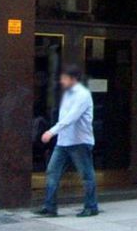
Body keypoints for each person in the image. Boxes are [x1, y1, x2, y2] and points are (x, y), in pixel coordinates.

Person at [36, 65, 99, 218]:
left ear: (73, 79)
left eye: (64, 78)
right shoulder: (67, 94)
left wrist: (51, 132)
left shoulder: (83, 95)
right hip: (63, 141)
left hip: (79, 142)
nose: (61, 80)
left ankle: (91, 206)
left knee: (86, 175)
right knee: (52, 171)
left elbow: (71, 117)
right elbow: (63, 116)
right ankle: (50, 206)